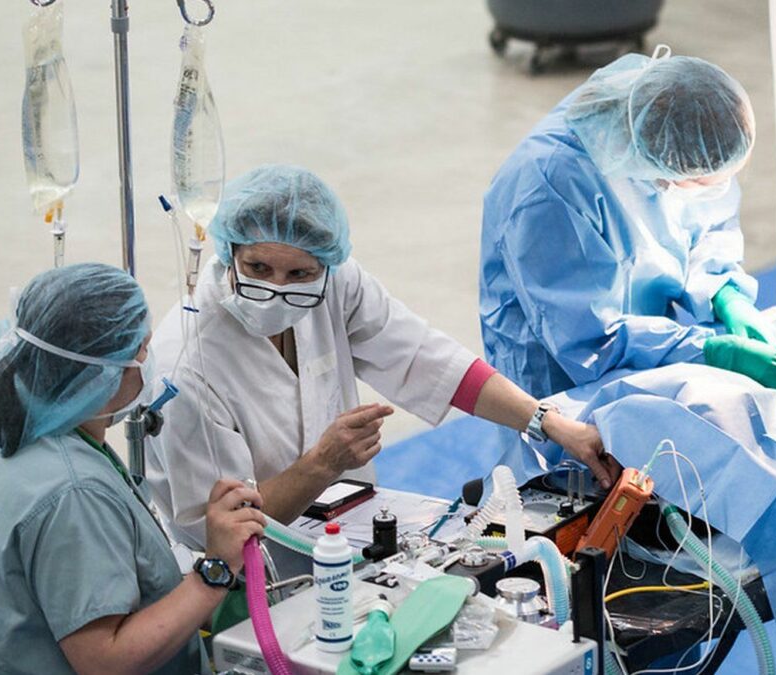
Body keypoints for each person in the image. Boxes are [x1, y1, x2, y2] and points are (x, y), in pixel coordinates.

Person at [148, 165, 619, 551]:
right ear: (228, 250)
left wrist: (545, 420)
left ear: (325, 266)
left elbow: (425, 358)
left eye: (299, 274)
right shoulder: (188, 363)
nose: (277, 290)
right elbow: (220, 527)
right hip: (240, 574)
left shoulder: (335, 284)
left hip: (342, 533)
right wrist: (322, 464)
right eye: (257, 269)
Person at [479, 45, 776, 402]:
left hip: (645, 348)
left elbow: (706, 227)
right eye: (702, 181)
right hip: (562, 382)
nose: (712, 191)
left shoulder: (672, 126)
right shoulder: (549, 188)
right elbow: (590, 340)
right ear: (665, 173)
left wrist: (724, 294)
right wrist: (716, 353)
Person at [0, 263, 265, 674]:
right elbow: (105, 660)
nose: (146, 364)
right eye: (141, 350)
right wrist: (215, 570)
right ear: (99, 371)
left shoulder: (14, 430)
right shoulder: (73, 491)